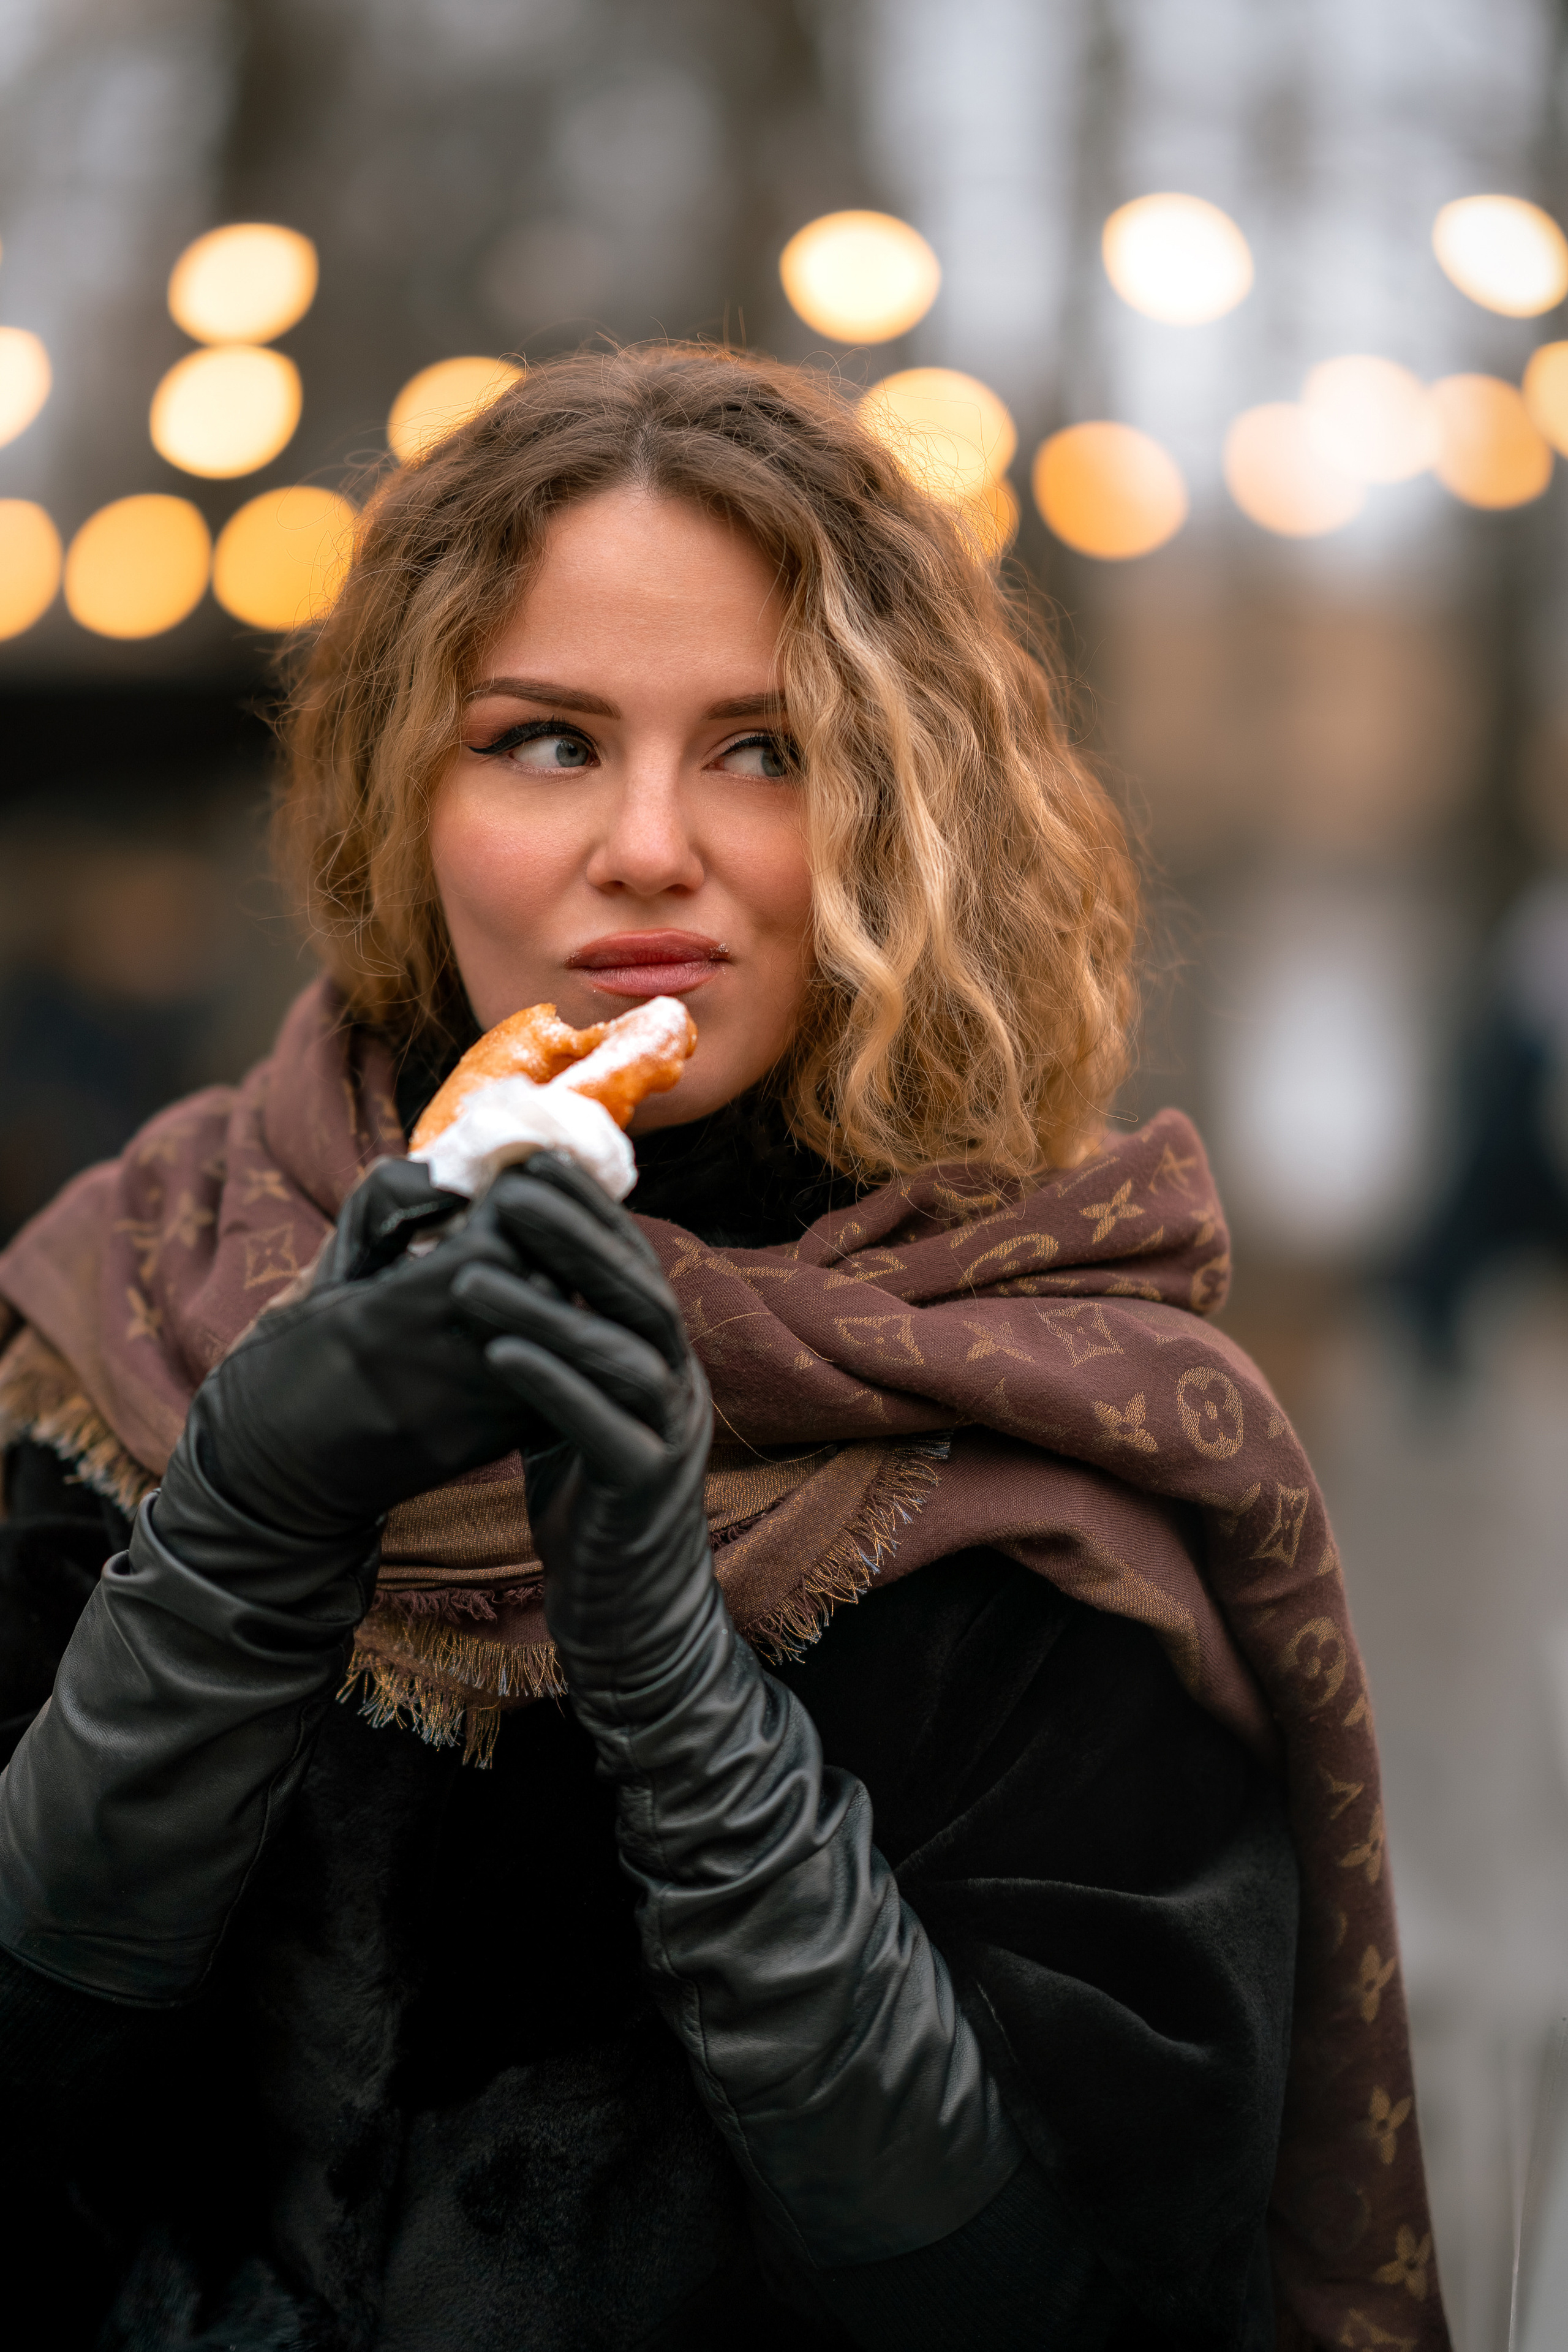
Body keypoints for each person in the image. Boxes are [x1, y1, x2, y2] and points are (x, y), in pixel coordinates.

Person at [0, 345, 1446, 2351]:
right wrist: (247, 1533)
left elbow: (1064, 2294)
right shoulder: (131, 1295)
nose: (653, 847)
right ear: (404, 789)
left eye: (763, 748)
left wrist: (683, 1695)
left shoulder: (1045, 1395)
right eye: (547, 740)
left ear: (906, 810)